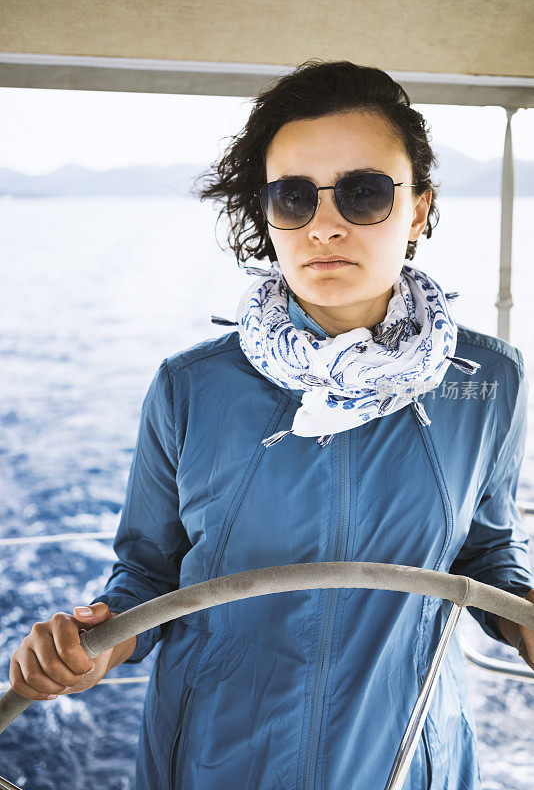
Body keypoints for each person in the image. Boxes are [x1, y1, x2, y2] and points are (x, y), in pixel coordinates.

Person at [9, 59, 534, 790]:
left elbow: (487, 556)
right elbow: (147, 578)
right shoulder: (192, 387)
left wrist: (525, 615)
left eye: (364, 193)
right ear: (267, 213)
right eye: (293, 197)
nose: (324, 225)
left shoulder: (488, 382)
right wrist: (94, 646)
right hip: (213, 763)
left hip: (410, 761)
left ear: (417, 210)